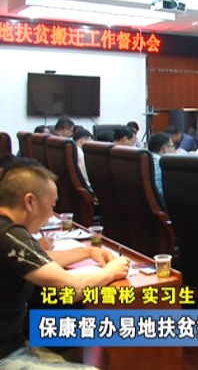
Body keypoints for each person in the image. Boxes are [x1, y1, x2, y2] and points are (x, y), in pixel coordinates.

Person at [0, 159, 129, 369]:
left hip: (16, 339)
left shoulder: (6, 230)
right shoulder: (11, 236)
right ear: (29, 202)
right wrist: (110, 272)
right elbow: (71, 288)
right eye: (52, 206)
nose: (52, 214)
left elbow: (40, 260)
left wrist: (87, 252)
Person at [148, 133, 175, 200]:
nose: (175, 149)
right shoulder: (164, 164)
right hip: (161, 201)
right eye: (172, 146)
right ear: (165, 149)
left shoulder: (147, 160)